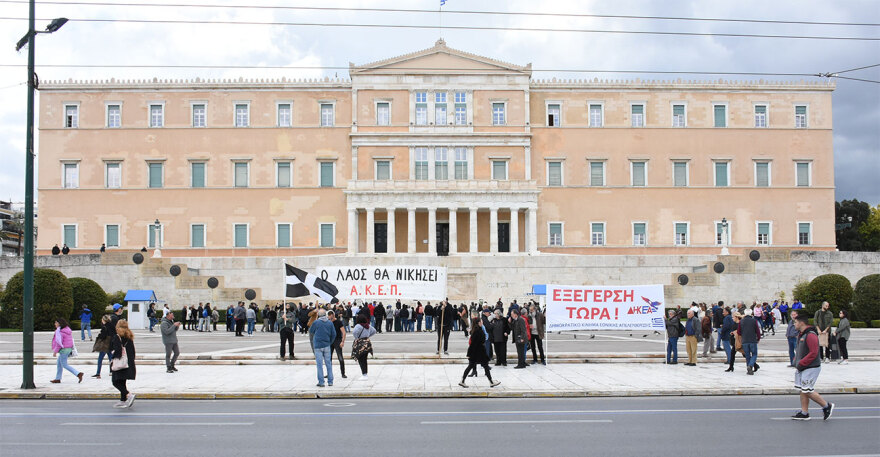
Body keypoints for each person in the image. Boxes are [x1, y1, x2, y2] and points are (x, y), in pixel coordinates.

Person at [791, 314, 834, 421]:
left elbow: (814, 353)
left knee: (807, 390)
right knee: (803, 390)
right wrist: (796, 361)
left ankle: (826, 406)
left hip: (811, 367)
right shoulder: (802, 334)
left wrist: (801, 363)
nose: (794, 324)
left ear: (801, 323)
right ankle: (804, 413)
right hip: (803, 367)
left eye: (795, 322)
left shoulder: (810, 335)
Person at [459, 317, 501, 388]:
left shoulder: (477, 330)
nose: (482, 322)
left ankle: (462, 381)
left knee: (477, 366)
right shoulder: (478, 331)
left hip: (477, 352)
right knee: (482, 366)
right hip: (479, 352)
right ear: (478, 323)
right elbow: (473, 344)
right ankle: (491, 382)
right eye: (481, 321)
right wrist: (469, 353)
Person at [109, 319, 137, 408]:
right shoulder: (129, 336)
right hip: (128, 362)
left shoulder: (117, 337)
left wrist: (112, 357)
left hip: (120, 362)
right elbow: (132, 350)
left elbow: (117, 350)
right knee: (122, 381)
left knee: (115, 382)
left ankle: (128, 395)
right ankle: (123, 400)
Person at [50, 318, 83, 384]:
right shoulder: (67, 330)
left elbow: (59, 343)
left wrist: (55, 352)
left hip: (63, 350)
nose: (55, 324)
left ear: (59, 323)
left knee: (64, 365)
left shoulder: (60, 332)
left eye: (56, 322)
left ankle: (78, 373)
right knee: (59, 364)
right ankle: (58, 378)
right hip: (68, 348)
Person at [309, 309, 336, 387]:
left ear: (318, 315)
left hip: (318, 345)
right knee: (328, 364)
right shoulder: (330, 323)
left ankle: (321, 382)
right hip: (327, 344)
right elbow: (333, 334)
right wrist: (330, 342)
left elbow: (311, 331)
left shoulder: (316, 322)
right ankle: (330, 381)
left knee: (319, 364)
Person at [351, 314, 376, 380]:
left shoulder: (358, 326)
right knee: (364, 359)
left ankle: (364, 374)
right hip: (367, 343)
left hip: (360, 344)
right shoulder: (368, 325)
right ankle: (365, 373)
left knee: (361, 359)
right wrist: (368, 335)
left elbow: (354, 332)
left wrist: (357, 338)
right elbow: (374, 331)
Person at [738, 309, 762, 375]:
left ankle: (749, 369)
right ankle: (750, 365)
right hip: (752, 340)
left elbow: (739, 332)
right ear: (751, 313)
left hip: (744, 340)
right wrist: (758, 338)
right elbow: (757, 331)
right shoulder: (754, 321)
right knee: (754, 354)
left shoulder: (741, 321)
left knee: (747, 355)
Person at [91, 314, 113, 379]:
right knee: (111, 358)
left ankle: (98, 373)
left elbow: (102, 336)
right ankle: (112, 371)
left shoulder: (104, 327)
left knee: (100, 359)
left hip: (104, 345)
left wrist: (99, 337)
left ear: (104, 320)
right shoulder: (112, 326)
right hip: (110, 344)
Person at [328, 310, 347, 378]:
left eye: (331, 317)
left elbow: (344, 332)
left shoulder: (338, 322)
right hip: (330, 341)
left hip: (337, 340)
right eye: (329, 318)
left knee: (340, 357)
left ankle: (343, 373)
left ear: (333, 315)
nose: (331, 319)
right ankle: (329, 373)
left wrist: (342, 341)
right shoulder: (328, 322)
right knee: (328, 358)